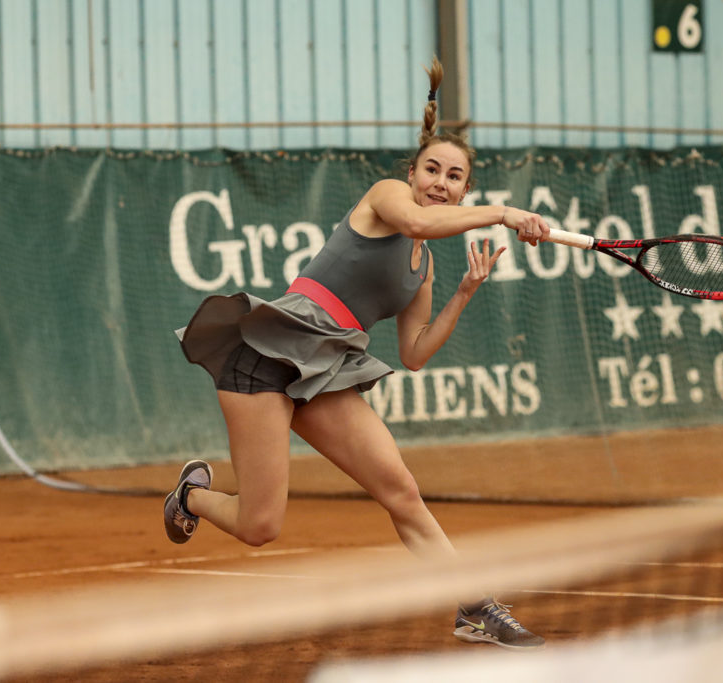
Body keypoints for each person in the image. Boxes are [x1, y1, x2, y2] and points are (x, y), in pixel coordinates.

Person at [164, 57, 551, 649]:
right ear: (414, 172)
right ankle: (191, 493)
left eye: (453, 177)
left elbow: (415, 353)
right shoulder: (389, 197)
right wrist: (503, 213)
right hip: (270, 350)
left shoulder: (423, 267)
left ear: (463, 189)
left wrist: (464, 294)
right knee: (260, 525)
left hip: (326, 368)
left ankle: (473, 606)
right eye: (432, 170)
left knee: (400, 490)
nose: (439, 183)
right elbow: (418, 223)